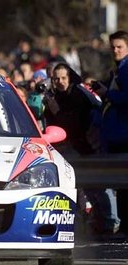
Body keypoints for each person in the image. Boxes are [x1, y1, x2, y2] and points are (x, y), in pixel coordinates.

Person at [44, 62, 120, 236]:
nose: (60, 82)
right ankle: (101, 221)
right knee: (87, 187)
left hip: (89, 145)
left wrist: (57, 110)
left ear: (69, 77)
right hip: (72, 147)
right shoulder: (55, 96)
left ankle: (110, 222)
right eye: (56, 79)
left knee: (98, 186)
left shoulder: (78, 94)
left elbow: (74, 123)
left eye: (64, 78)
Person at [94, 30, 128, 235]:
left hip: (124, 135)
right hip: (117, 134)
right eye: (113, 47)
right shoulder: (118, 69)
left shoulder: (126, 69)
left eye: (120, 47)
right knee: (122, 186)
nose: (115, 50)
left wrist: (108, 94)